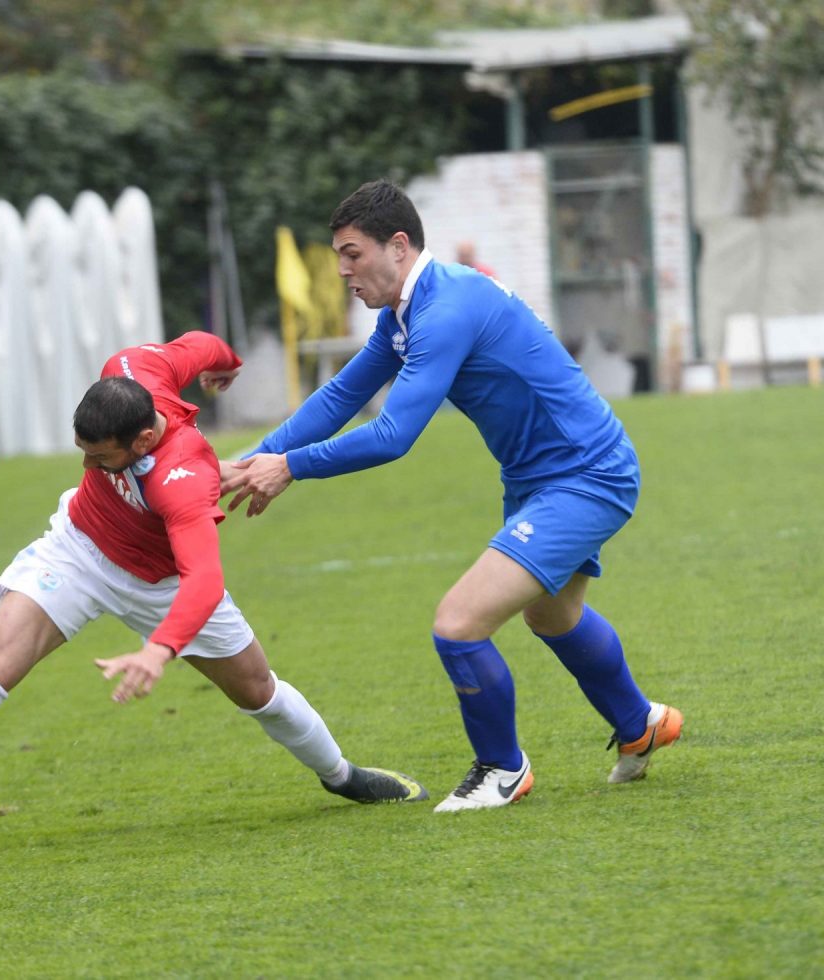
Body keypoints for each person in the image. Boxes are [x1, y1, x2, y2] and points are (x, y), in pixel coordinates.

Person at [0, 331, 427, 860]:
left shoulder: (183, 478)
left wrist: (158, 651)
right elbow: (200, 344)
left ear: (145, 438)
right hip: (77, 550)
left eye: (101, 458)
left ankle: (342, 776)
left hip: (161, 585)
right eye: (83, 451)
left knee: (259, 691)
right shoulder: (131, 367)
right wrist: (226, 363)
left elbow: (204, 580)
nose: (88, 463)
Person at [224, 179, 683, 812]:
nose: (343, 271)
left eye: (353, 254)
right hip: (539, 478)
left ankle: (502, 768)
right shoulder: (409, 311)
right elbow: (342, 395)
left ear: (398, 246)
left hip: (585, 475)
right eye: (339, 256)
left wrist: (291, 467)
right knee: (551, 615)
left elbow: (392, 435)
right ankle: (641, 724)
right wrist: (252, 462)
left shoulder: (444, 310)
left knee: (459, 626)